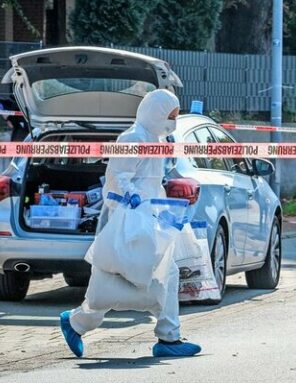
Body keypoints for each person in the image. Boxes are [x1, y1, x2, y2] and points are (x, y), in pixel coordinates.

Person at [59, 89, 201, 358]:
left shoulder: (157, 140)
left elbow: (151, 181)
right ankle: (76, 322)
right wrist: (130, 197)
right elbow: (117, 176)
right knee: (110, 277)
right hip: (129, 220)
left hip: (149, 219)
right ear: (155, 113)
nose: (173, 122)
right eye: (170, 116)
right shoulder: (133, 138)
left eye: (175, 117)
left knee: (166, 274)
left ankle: (169, 338)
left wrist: (164, 209)